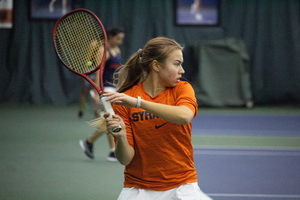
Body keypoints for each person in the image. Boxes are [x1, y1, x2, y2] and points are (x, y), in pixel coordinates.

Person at [102, 37, 213, 199]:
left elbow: (184, 116)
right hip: (138, 188)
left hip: (182, 185)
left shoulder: (183, 89)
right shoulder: (125, 100)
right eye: (176, 64)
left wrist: (139, 103)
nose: (182, 70)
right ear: (156, 66)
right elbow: (125, 159)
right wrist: (121, 136)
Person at [79, 27, 125, 162]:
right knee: (111, 120)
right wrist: (95, 92)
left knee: (110, 120)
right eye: (118, 38)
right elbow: (98, 72)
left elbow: (117, 72)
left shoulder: (117, 50)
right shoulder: (101, 51)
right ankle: (106, 148)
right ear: (109, 37)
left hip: (114, 89)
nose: (119, 41)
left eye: (121, 39)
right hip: (104, 90)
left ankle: (99, 146)